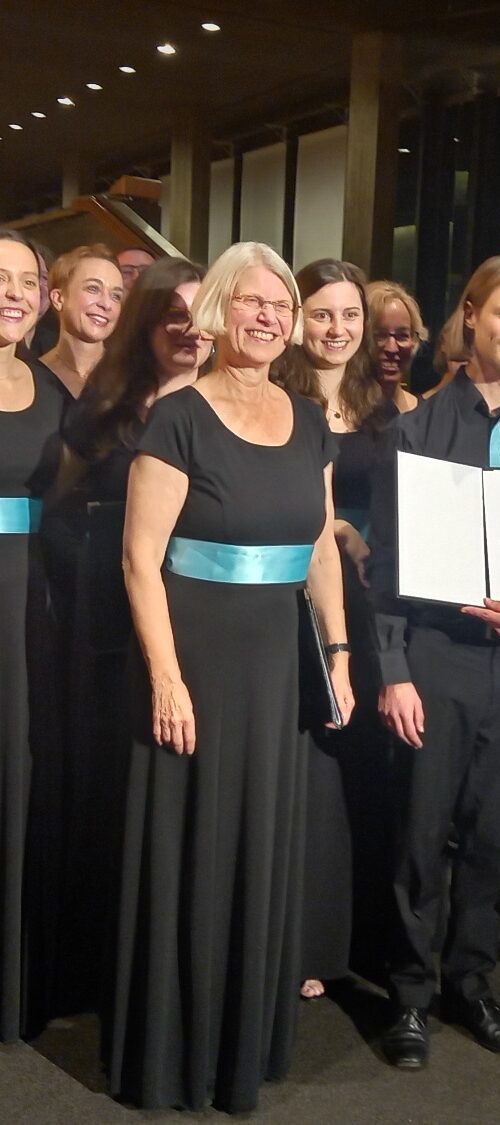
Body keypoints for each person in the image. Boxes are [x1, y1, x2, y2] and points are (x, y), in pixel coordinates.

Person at [106, 242, 353, 1113]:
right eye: (251, 301)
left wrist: (339, 651)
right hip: (199, 657)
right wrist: (166, 680)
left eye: (280, 303)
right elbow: (140, 561)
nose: (268, 316)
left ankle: (245, 1038)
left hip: (278, 665)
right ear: (216, 309)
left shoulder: (308, 418)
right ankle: (177, 1052)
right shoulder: (178, 416)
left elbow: (319, 543)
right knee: (193, 843)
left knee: (261, 840)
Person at [368, 254, 500, 1069]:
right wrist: (393, 669)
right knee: (421, 835)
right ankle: (411, 995)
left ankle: (471, 980)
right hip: (436, 657)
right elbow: (385, 564)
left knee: (494, 837)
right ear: (471, 314)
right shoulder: (417, 428)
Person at [49, 256, 210, 1013]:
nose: (187, 327)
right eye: (171, 313)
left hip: (207, 631)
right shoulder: (105, 407)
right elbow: (61, 508)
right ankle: (105, 958)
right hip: (112, 628)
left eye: (198, 311)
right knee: (113, 790)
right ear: (144, 322)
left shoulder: (235, 406)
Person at [275, 257, 387, 999]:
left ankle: (359, 936)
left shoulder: (391, 402)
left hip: (377, 605)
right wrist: (336, 527)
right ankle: (298, 936)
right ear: (295, 318)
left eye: (350, 315)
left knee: (367, 768)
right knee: (309, 770)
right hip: (299, 599)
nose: (337, 328)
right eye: (322, 313)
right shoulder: (276, 397)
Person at [0, 230, 68, 1041]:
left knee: (18, 784)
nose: (13, 292)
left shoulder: (50, 390)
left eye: (26, 280)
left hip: (32, 611)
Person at [40, 245, 123, 398]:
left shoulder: (134, 379)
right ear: (58, 298)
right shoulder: (32, 378)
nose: (106, 304)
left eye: (116, 296)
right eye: (93, 288)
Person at [366, 280, 426, 413]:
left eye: (402, 336)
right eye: (380, 335)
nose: (392, 348)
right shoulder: (336, 415)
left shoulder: (427, 417)